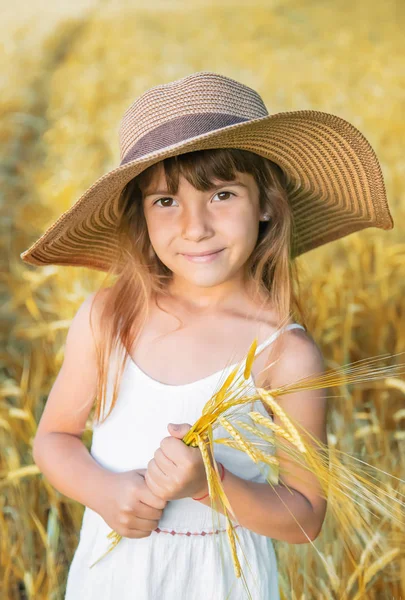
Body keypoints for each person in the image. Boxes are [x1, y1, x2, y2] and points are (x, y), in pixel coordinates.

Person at [24, 72, 394, 599]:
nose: (195, 226)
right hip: (111, 580)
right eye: (166, 202)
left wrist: (207, 484)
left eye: (221, 194)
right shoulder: (108, 317)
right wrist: (104, 492)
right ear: (141, 219)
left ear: (266, 203)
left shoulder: (282, 353)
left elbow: (306, 517)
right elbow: (53, 439)